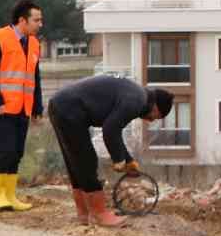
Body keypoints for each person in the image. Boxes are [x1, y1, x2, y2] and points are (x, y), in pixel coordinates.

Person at [47, 75, 173, 227]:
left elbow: (114, 129)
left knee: (75, 162)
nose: (151, 120)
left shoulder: (136, 94)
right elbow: (110, 129)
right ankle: (99, 215)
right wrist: (118, 160)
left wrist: (128, 160)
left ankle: (84, 213)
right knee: (86, 161)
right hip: (70, 109)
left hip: (59, 104)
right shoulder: (137, 102)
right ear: (156, 107)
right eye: (156, 117)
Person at [0, 0, 43, 211]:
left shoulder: (33, 43)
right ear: (22, 20)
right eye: (36, 20)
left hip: (21, 108)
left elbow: (34, 77)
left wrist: (37, 107)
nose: (40, 24)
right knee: (4, 151)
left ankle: (10, 196)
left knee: (16, 152)